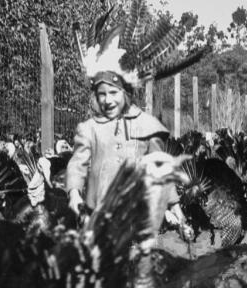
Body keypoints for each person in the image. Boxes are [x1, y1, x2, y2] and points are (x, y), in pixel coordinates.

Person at [65, 71, 170, 215]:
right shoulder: (89, 129)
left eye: (114, 92)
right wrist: (74, 193)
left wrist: (174, 206)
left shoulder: (146, 125)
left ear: (125, 93)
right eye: (102, 94)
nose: (108, 100)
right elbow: (77, 164)